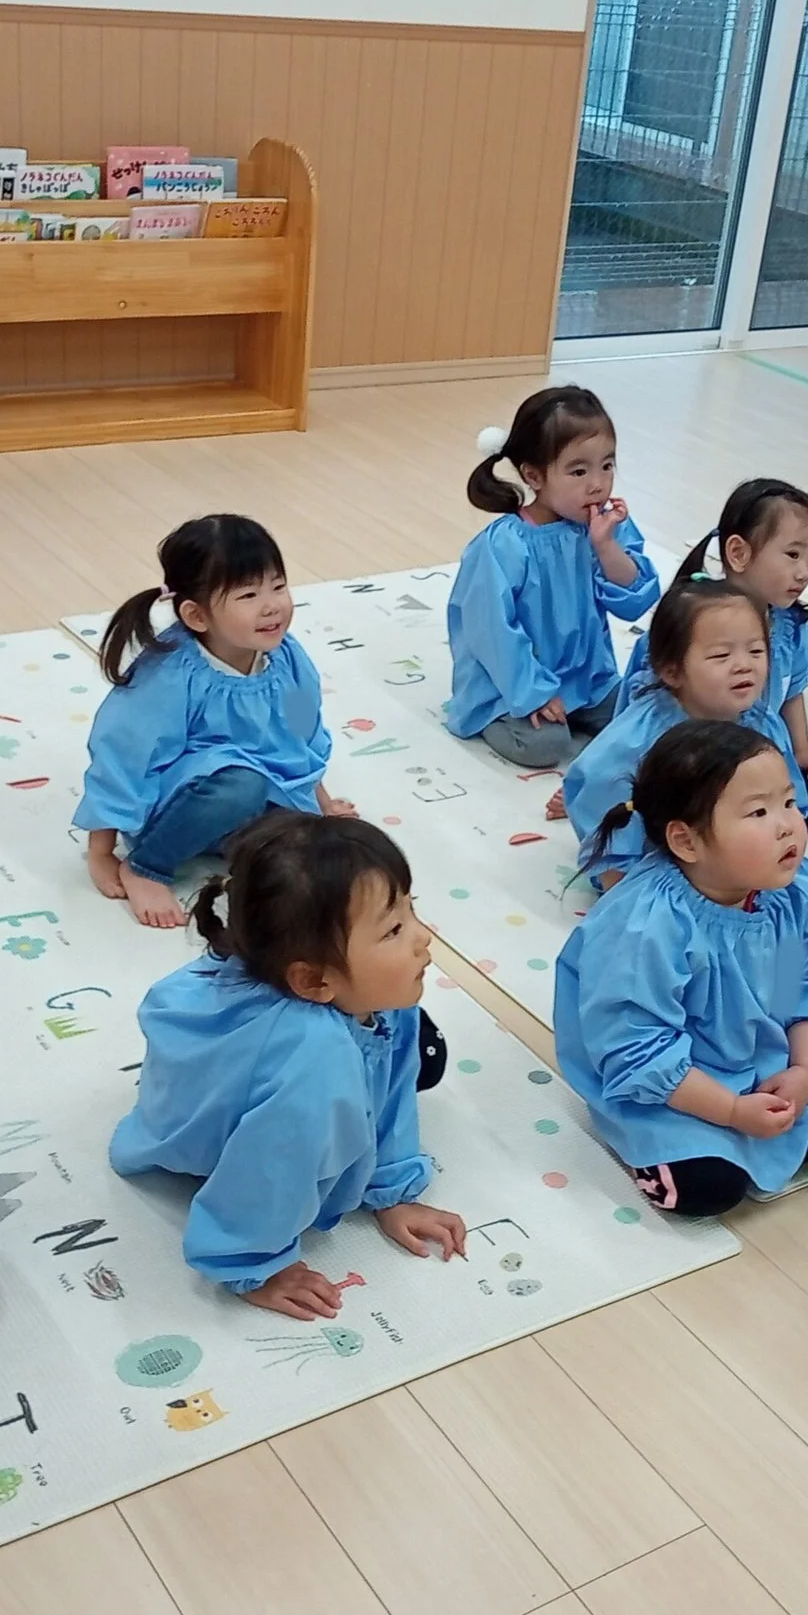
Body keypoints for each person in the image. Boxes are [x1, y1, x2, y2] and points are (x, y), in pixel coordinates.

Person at [111, 813, 469, 1320]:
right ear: (315, 981)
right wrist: (253, 1262)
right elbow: (268, 1168)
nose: (422, 937)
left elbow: (391, 1089)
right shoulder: (313, 1063)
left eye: (411, 910)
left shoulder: (373, 997)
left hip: (302, 1059)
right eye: (393, 929)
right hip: (219, 1126)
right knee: (330, 1090)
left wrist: (393, 1192)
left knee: (419, 1048)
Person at [554, 719, 808, 1215]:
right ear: (687, 842)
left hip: (753, 1053)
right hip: (669, 1079)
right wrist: (731, 1110)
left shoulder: (792, 890)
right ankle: (657, 1151)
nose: (788, 824)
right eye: (759, 811)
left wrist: (804, 1071)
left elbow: (804, 987)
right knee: (711, 1190)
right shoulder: (646, 927)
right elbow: (636, 1049)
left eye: (790, 802)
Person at [79, 514, 351, 931]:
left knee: (317, 851)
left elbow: (300, 737)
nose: (272, 605)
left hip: (252, 806)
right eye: (248, 594)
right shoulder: (172, 674)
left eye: (278, 586)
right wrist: (101, 852)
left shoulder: (286, 659)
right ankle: (148, 866)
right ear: (196, 616)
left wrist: (322, 804)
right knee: (242, 785)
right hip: (183, 806)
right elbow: (124, 755)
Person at [629, 478, 808, 819]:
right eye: (792, 555)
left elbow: (792, 692)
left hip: (755, 750)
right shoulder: (692, 622)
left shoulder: (790, 626)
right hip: (690, 748)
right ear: (738, 553)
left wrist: (802, 755)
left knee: (790, 810)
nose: (803, 572)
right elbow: (644, 709)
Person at [446, 385, 660, 767]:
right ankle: (495, 716)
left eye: (607, 466)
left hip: (586, 680)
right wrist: (534, 693)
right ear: (534, 475)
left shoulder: (605, 526)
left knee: (644, 713)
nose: (598, 483)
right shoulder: (503, 545)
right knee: (546, 745)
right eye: (578, 471)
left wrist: (606, 547)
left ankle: (574, 709)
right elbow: (491, 632)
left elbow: (636, 598)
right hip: (511, 681)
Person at [562, 578, 779, 887]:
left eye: (756, 650)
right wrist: (622, 893)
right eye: (721, 655)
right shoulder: (642, 738)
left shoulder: (761, 721)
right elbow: (597, 784)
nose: (744, 665)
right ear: (672, 671)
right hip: (653, 874)